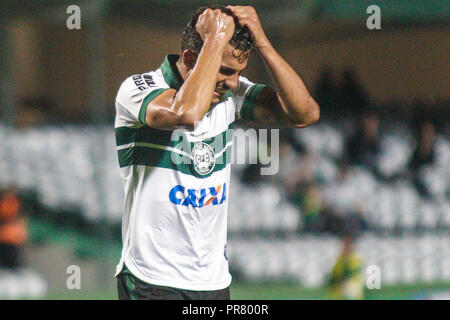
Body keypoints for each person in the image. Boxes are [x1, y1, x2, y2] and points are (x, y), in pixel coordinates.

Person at [114, 5, 319, 300]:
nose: (234, 82)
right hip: (152, 280)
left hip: (213, 282)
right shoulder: (139, 89)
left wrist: (262, 41)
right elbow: (185, 113)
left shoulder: (229, 96)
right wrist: (214, 41)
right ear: (189, 58)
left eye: (239, 74)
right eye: (226, 71)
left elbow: (305, 113)